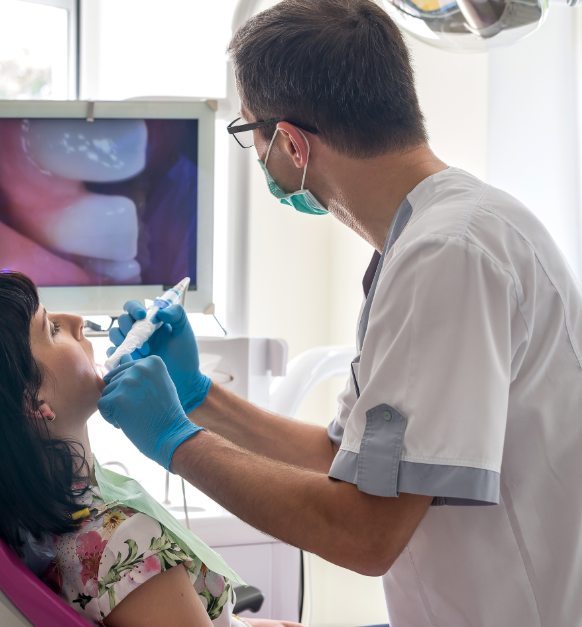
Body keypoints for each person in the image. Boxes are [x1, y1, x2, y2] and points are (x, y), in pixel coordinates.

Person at [98, 2, 582, 626]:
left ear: (293, 144)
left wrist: (174, 443)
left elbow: (366, 534)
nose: (259, 156)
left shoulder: (451, 255)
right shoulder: (428, 241)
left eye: (252, 135)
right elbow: (342, 458)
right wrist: (197, 399)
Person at [0, 271, 297, 627]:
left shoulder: (34, 535)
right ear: (32, 403)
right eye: (51, 328)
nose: (77, 321)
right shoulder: (121, 546)